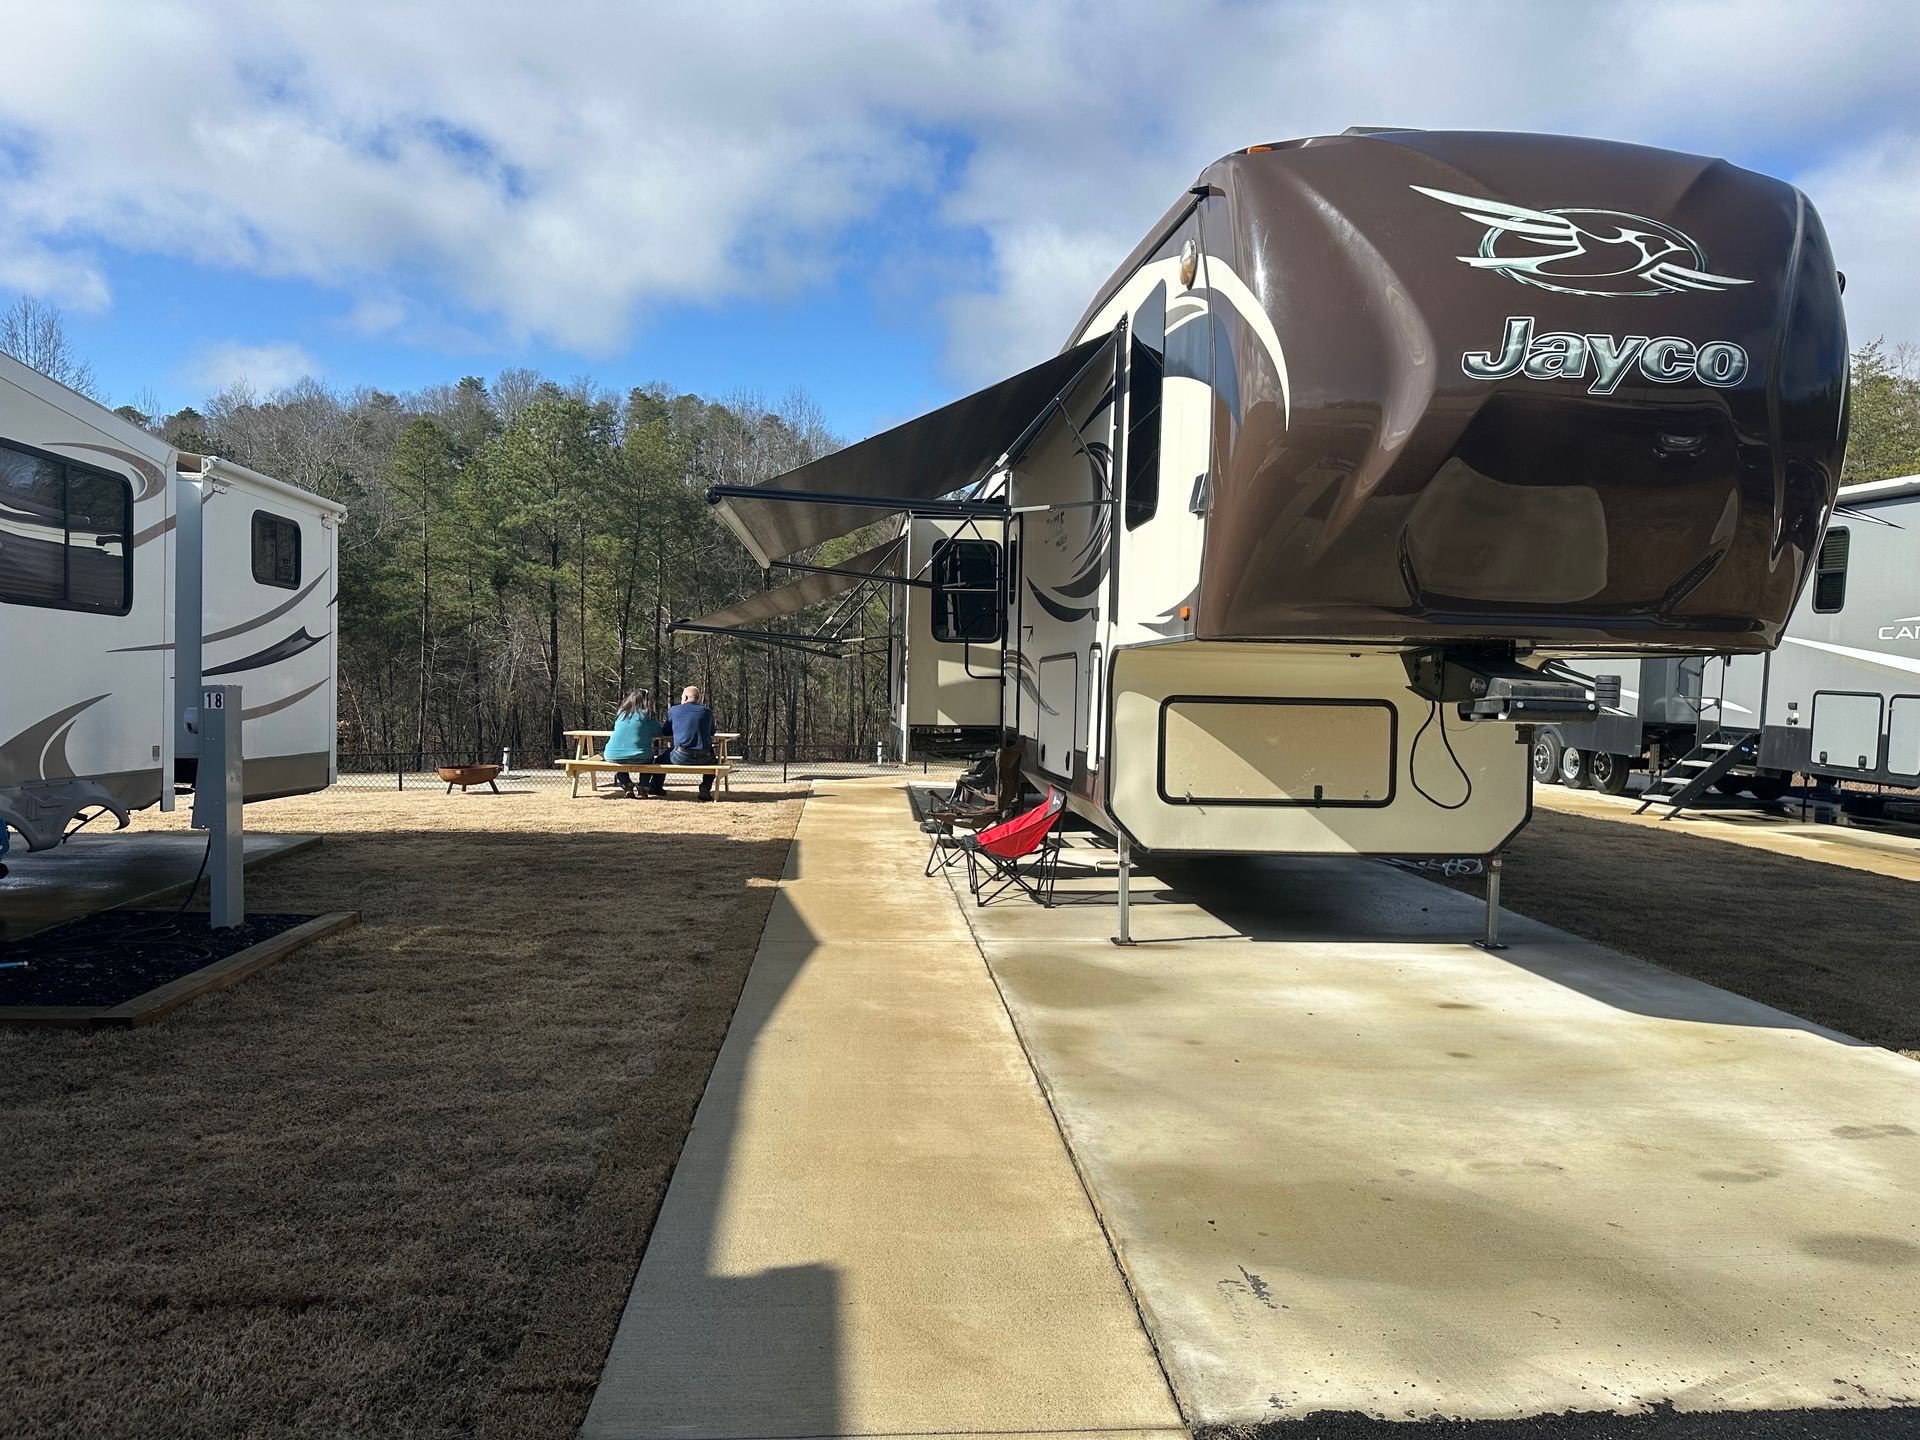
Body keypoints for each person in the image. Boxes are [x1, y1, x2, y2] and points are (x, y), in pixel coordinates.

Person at [604, 691, 663, 798]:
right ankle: (643, 787)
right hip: (641, 756)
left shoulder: (621, 713)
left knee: (617, 762)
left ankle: (626, 784)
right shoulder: (648, 714)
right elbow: (659, 732)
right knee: (649, 761)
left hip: (612, 754)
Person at [665, 683, 719, 800]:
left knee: (659, 760)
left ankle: (656, 787)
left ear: (685, 698)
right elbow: (712, 732)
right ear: (698, 698)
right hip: (705, 757)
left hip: (680, 756)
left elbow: (665, 732)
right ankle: (705, 788)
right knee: (715, 762)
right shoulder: (707, 712)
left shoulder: (674, 711)